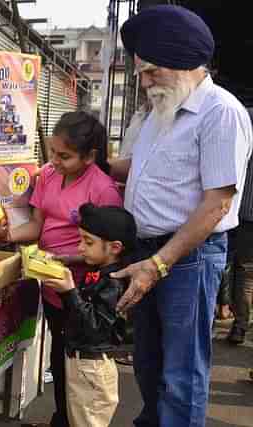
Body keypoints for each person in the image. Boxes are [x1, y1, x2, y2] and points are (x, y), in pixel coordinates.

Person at [110, 6, 253, 426]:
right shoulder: (162, 111)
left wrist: (157, 265)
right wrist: (88, 161)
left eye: (152, 71)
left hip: (187, 259)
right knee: (149, 365)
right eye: (141, 72)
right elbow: (136, 167)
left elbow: (217, 204)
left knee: (182, 374)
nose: (145, 82)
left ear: (186, 62)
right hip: (150, 253)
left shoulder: (220, 113)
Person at [0, 111, 123, 427]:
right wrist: (9, 235)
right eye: (53, 153)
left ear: (90, 157)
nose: (55, 161)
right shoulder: (47, 175)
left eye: (65, 156)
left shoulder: (103, 190)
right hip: (50, 284)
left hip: (82, 292)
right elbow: (36, 225)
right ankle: (61, 418)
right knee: (58, 358)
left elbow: (106, 250)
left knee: (77, 368)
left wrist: (61, 259)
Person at [43, 203, 135, 427]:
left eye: (88, 242)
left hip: (92, 369)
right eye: (80, 240)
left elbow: (94, 327)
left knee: (87, 420)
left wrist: (69, 293)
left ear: (114, 247)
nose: (80, 248)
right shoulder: (97, 272)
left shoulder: (113, 284)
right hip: (82, 364)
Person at [227, 107, 253, 344]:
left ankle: (240, 325)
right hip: (245, 211)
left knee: (243, 270)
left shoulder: (245, 117)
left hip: (245, 211)